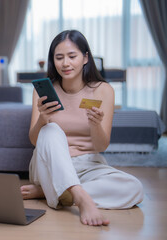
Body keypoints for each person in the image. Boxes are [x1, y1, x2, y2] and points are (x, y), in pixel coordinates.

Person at [20, 30, 144, 226]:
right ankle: (81, 197)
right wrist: (42, 119)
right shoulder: (42, 91)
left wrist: (95, 125)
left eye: (72, 56)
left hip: (88, 165)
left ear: (85, 57)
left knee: (134, 188)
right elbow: (35, 141)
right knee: (51, 130)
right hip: (49, 166)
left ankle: (51, 191)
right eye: (59, 57)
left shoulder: (103, 90)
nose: (65, 63)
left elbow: (101, 146)